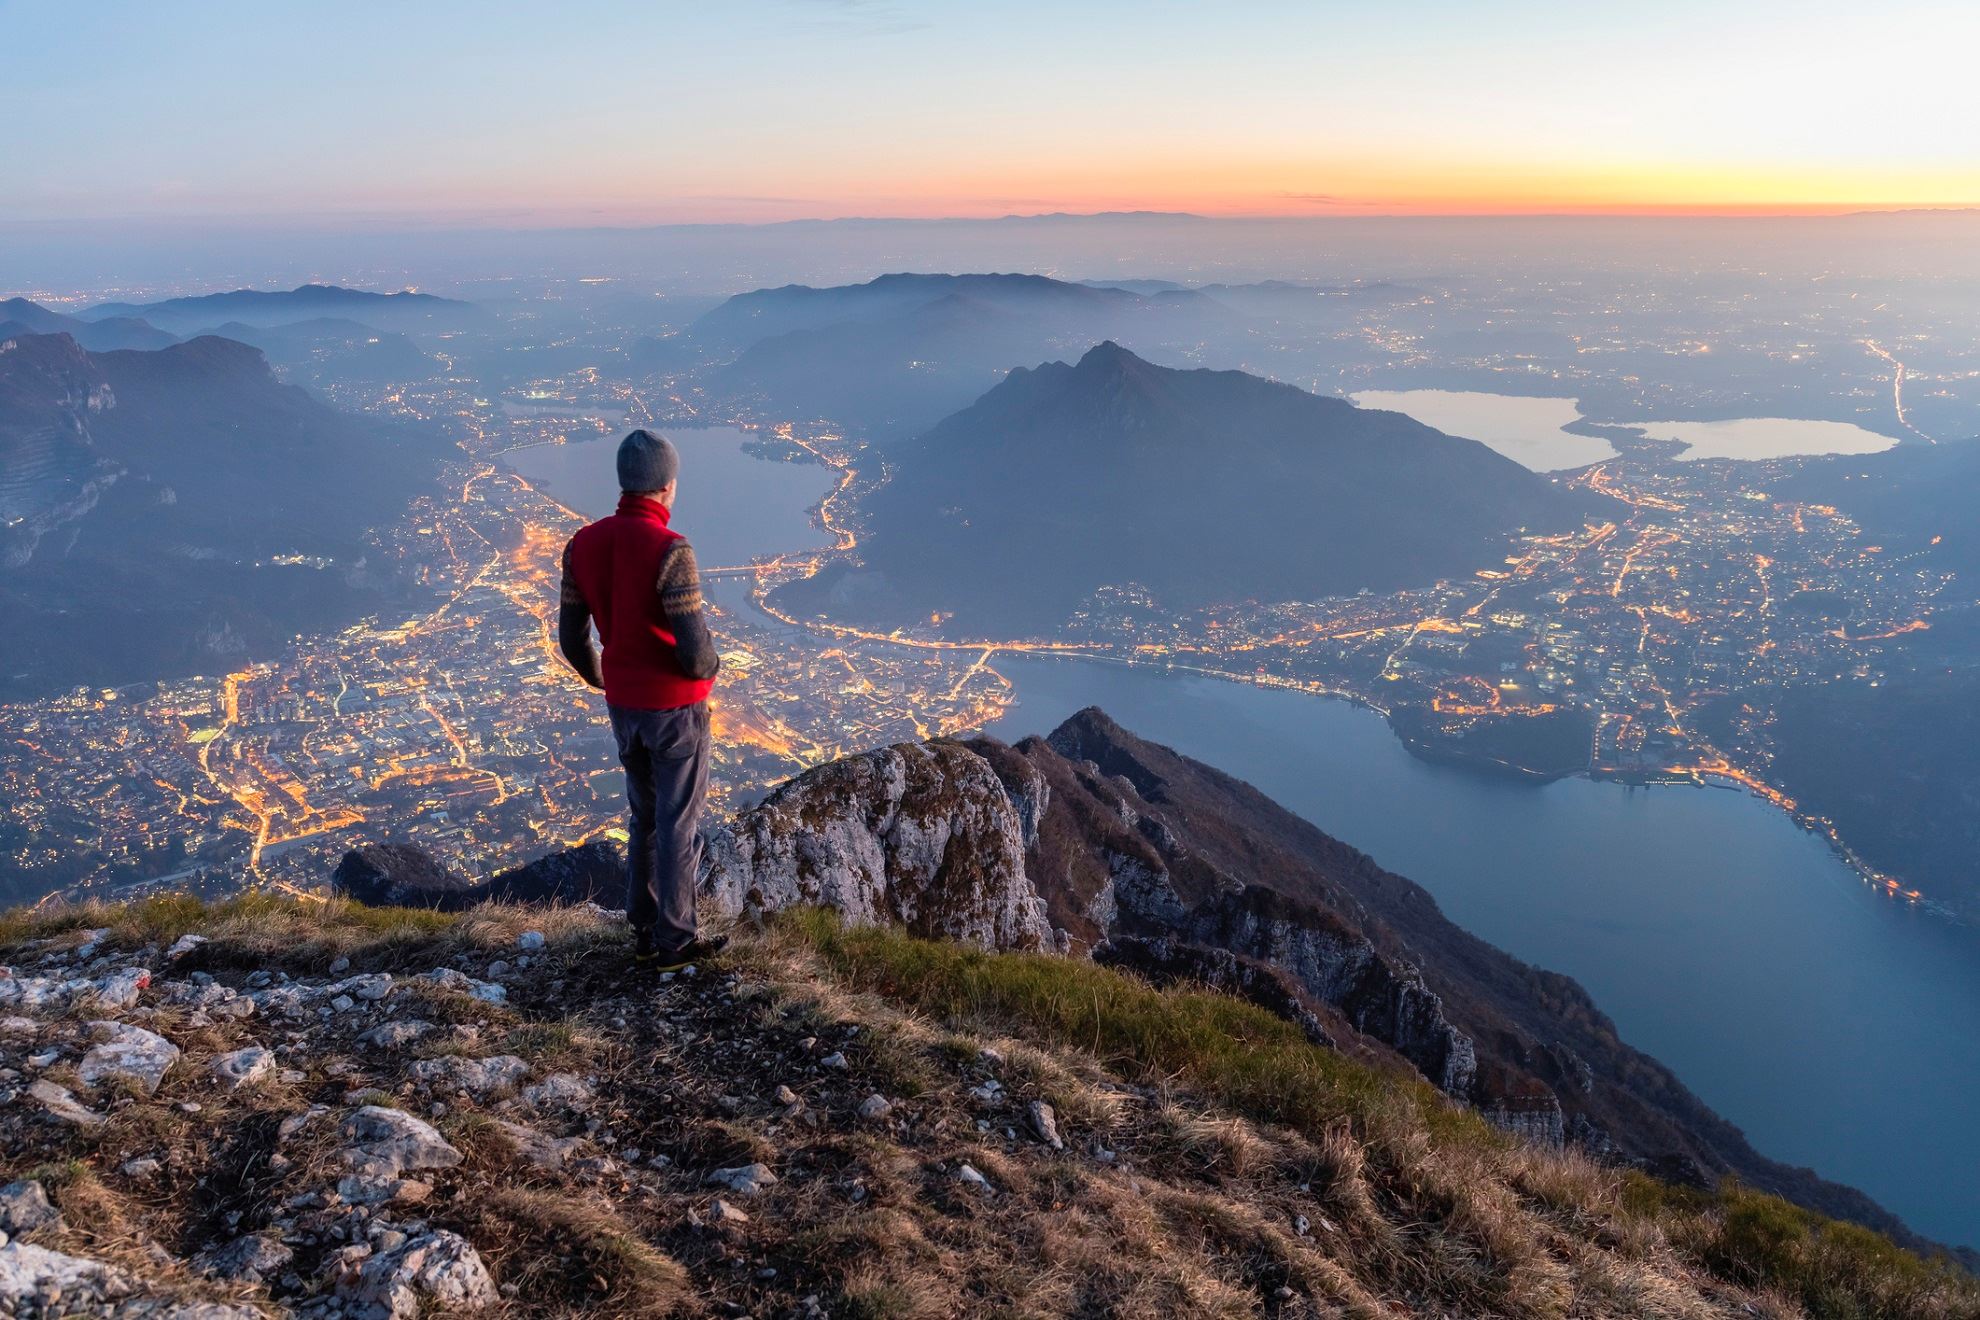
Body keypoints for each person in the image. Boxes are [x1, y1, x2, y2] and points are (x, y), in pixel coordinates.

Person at [557, 429, 726, 969]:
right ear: (667, 485)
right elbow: (695, 652)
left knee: (645, 816)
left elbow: (571, 638)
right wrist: (712, 669)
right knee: (679, 822)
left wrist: (603, 679)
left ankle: (644, 929)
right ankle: (677, 941)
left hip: (624, 706)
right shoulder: (671, 550)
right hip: (676, 710)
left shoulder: (582, 545)